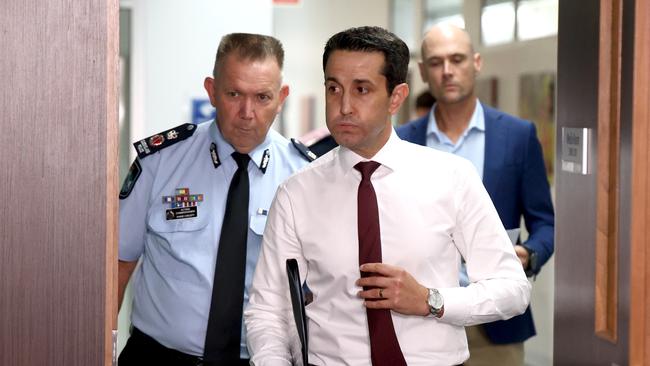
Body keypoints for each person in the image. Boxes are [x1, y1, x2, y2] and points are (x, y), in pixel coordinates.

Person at [244, 26, 531, 366]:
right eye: (334, 89)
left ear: (396, 97)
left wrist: (430, 300)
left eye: (362, 89)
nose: (344, 106)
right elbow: (267, 310)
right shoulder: (296, 193)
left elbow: (513, 289)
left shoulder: (452, 177)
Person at [117, 33, 313, 366]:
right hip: (159, 358)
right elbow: (118, 264)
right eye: (234, 93)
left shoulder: (305, 177)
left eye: (263, 97)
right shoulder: (160, 163)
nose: (247, 112)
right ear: (211, 90)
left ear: (282, 98)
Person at [396, 24, 555, 366]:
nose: (447, 71)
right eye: (435, 63)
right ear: (422, 71)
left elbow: (546, 223)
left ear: (477, 62)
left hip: (495, 324)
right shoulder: (402, 141)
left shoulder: (517, 136)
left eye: (457, 59)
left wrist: (529, 253)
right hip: (421, 321)